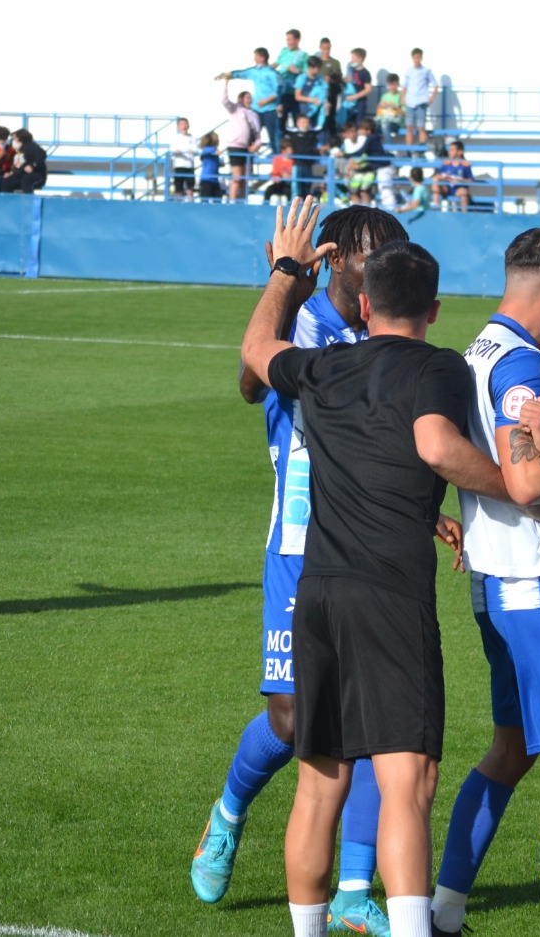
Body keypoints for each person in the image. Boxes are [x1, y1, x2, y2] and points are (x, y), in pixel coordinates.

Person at [239, 203, 511, 937]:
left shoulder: (323, 367)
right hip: (392, 594)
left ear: (363, 304)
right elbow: (433, 447)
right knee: (407, 782)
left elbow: (258, 347)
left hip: (318, 590)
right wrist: (511, 485)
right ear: (435, 307)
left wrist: (285, 272)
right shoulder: (440, 366)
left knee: (319, 785)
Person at [193, 207, 411, 934]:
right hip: (300, 548)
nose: (387, 266)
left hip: (373, 545)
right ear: (338, 260)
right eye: (376, 254)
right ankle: (227, 812)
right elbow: (252, 383)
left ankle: (353, 890)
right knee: (294, 721)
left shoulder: (387, 329)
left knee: (375, 722)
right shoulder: (310, 324)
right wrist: (285, 277)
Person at [429, 228, 540, 937]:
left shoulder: (479, 348)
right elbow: (533, 479)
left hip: (498, 581)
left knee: (512, 750)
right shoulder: (527, 368)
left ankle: (445, 911)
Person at [220, 48, 283, 149]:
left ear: (262, 58)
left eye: (256, 57)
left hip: (270, 109)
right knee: (251, 133)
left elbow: (278, 90)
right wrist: (227, 75)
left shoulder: (273, 73)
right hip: (256, 109)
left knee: (273, 135)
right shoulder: (255, 71)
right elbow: (242, 73)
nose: (254, 59)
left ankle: (276, 155)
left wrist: (265, 101)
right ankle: (248, 153)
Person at [221, 80, 263, 203]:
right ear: (241, 99)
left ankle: (243, 200)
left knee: (245, 177)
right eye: (246, 97)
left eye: (250, 98)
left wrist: (256, 144)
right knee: (237, 177)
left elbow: (257, 132)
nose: (249, 100)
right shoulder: (236, 109)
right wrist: (226, 83)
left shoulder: (254, 114)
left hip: (247, 147)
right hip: (235, 146)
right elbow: (224, 101)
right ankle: (232, 202)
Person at [401, 49, 439, 154]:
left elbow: (435, 85)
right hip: (410, 102)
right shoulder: (409, 71)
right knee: (409, 127)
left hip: (421, 101)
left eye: (419, 57)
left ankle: (421, 149)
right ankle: (408, 150)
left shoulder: (426, 71)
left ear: (421, 58)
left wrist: (431, 97)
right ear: (412, 58)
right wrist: (402, 98)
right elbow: (405, 86)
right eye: (415, 57)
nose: (417, 59)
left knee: (421, 127)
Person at [275, 30, 309, 129]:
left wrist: (297, 71)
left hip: (295, 92)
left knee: (296, 119)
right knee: (281, 119)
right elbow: (276, 63)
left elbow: (307, 75)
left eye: (290, 39)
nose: (288, 42)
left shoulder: (304, 55)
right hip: (283, 92)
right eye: (287, 40)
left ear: (297, 40)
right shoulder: (284, 51)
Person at [287, 116, 323, 200]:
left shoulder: (312, 134)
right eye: (303, 122)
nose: (305, 124)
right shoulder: (293, 134)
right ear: (297, 123)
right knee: (297, 187)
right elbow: (282, 127)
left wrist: (327, 113)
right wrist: (281, 115)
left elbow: (322, 127)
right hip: (298, 164)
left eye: (307, 122)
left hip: (309, 164)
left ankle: (306, 206)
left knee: (308, 187)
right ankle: (295, 206)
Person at [338, 48, 374, 131]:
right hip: (349, 103)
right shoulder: (351, 70)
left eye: (353, 58)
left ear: (360, 58)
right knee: (347, 123)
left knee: (359, 124)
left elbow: (368, 89)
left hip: (360, 103)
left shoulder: (365, 73)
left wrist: (355, 97)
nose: (352, 60)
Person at [0, 131, 46, 195]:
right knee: (6, 181)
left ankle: (28, 201)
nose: (13, 141)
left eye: (14, 139)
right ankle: (8, 202)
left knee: (26, 180)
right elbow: (20, 165)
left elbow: (42, 154)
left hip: (36, 174)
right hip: (21, 173)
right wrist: (11, 173)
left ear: (21, 138)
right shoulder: (20, 150)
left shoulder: (31, 146)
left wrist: (32, 165)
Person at [433, 141, 474, 212]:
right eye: (449, 150)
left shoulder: (465, 165)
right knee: (435, 179)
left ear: (460, 152)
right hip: (447, 188)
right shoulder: (446, 163)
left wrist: (461, 180)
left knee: (464, 192)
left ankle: (464, 214)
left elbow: (471, 180)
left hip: (458, 189)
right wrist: (442, 177)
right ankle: (436, 205)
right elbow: (438, 175)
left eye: (452, 150)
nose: (449, 152)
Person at [295, 56, 331, 135]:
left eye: (319, 68)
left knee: (320, 130)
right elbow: (297, 96)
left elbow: (325, 90)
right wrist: (312, 100)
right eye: (317, 68)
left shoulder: (320, 78)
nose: (318, 71)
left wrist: (326, 102)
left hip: (319, 109)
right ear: (311, 67)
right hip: (307, 109)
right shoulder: (302, 78)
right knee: (308, 132)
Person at [375, 73, 406, 141]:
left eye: (394, 85)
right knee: (371, 124)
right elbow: (378, 113)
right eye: (390, 85)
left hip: (396, 122)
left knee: (385, 125)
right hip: (384, 118)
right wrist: (379, 106)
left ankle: (389, 147)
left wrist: (395, 107)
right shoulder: (385, 96)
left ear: (398, 85)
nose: (391, 87)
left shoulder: (401, 96)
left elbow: (405, 113)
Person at [264, 139, 295, 204]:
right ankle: (265, 207)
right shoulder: (277, 159)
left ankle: (289, 209)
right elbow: (274, 173)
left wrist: (289, 176)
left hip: (288, 184)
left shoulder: (293, 160)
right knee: (268, 190)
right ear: (284, 150)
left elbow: (293, 174)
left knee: (289, 192)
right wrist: (277, 178)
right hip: (278, 183)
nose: (291, 151)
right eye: (289, 149)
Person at [197, 132, 224, 201]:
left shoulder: (215, 151)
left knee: (218, 200)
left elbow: (220, 163)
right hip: (206, 179)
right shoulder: (207, 149)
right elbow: (206, 152)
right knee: (204, 202)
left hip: (214, 179)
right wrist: (215, 152)